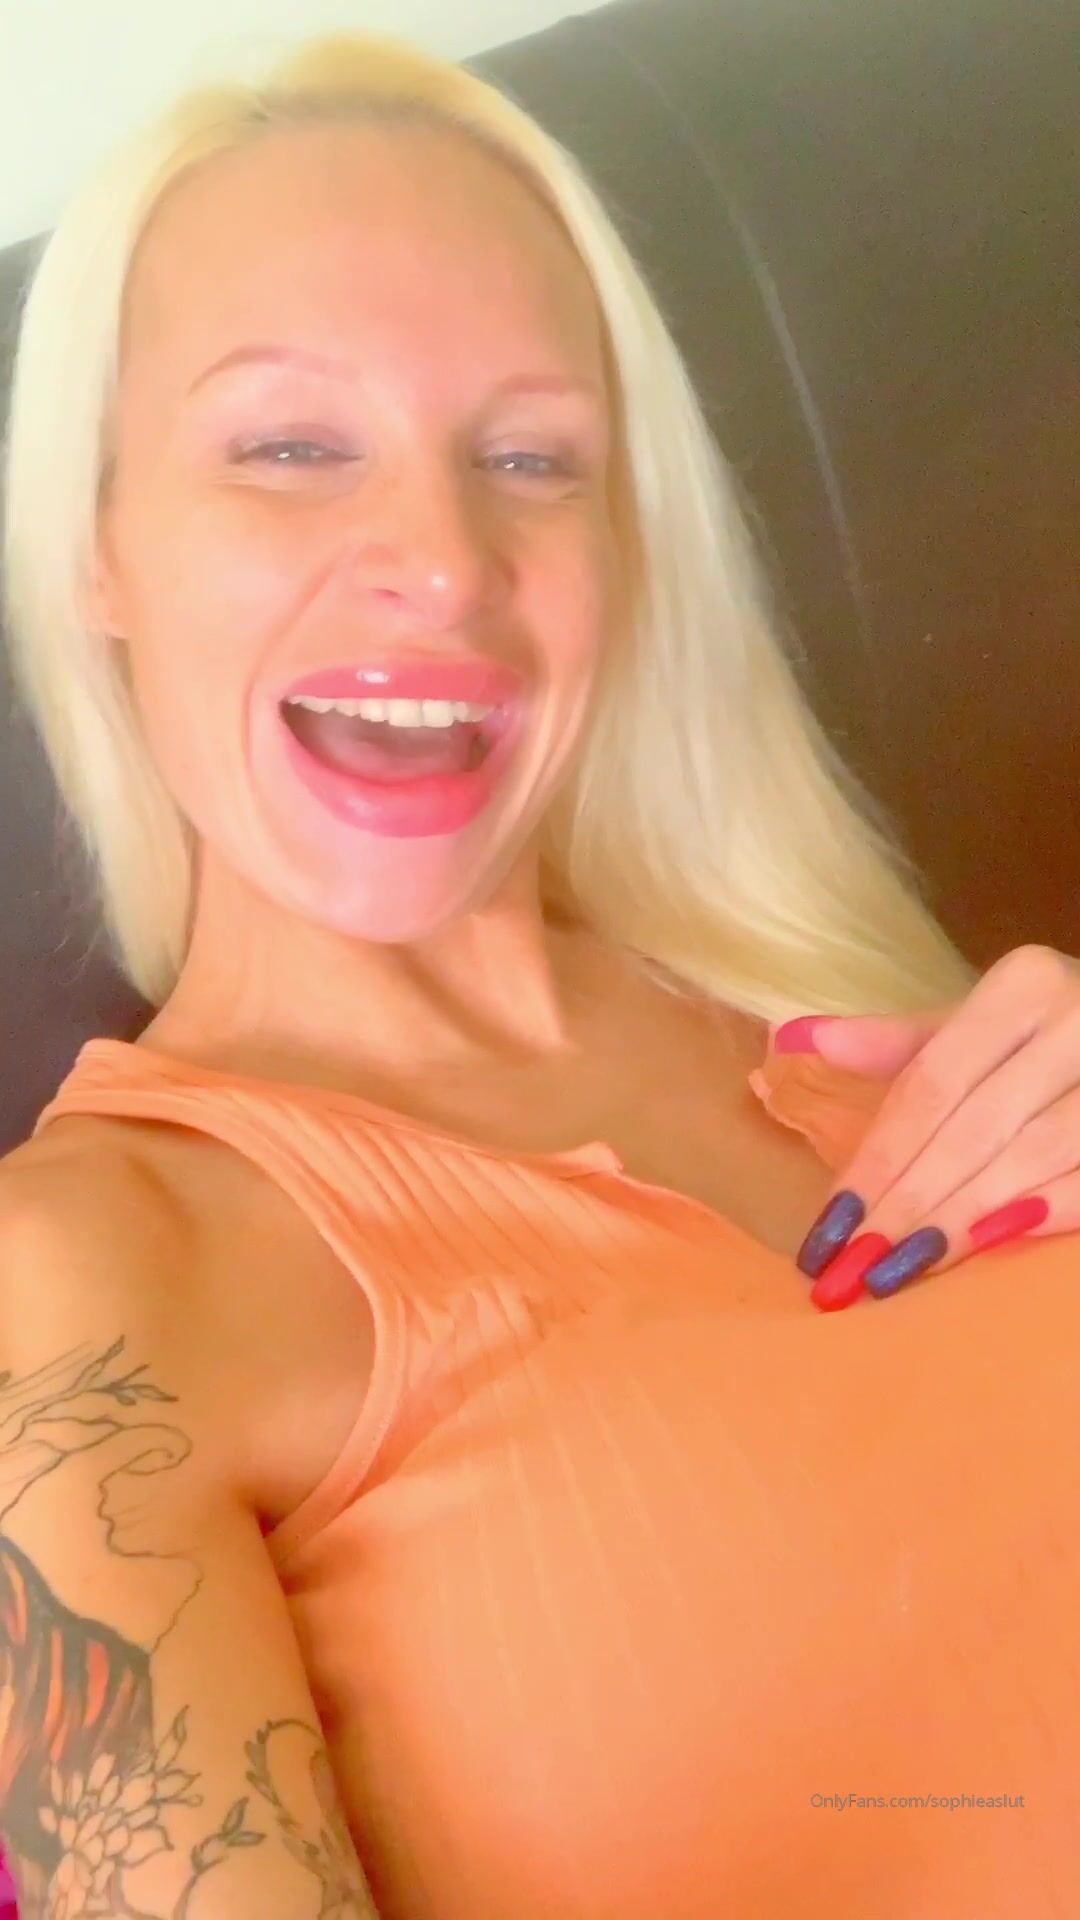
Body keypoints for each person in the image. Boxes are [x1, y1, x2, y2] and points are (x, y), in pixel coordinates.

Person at [0, 30, 1077, 1920]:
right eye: (288, 447)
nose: (443, 559)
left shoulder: (897, 1029)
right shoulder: (88, 1279)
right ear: (98, 546)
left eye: (529, 459)